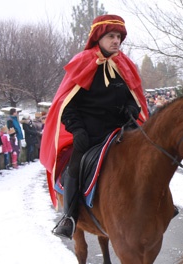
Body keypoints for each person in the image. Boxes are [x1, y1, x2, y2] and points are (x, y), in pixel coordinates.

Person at [40, 14, 149, 239]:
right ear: (98, 37)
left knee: (149, 156)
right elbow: (67, 106)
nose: (116, 41)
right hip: (89, 133)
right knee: (76, 165)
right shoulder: (83, 61)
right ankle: (69, 217)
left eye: (119, 36)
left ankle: (158, 203)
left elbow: (133, 98)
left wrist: (131, 110)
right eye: (111, 36)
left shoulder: (124, 64)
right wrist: (78, 130)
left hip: (120, 131)